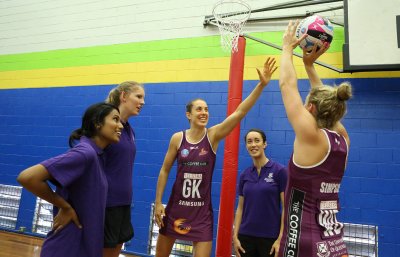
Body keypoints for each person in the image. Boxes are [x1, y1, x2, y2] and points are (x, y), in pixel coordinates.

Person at [153, 57, 277, 257]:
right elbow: (165, 170)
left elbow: (239, 113)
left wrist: (261, 86)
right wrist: (158, 202)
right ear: (188, 115)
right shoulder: (178, 138)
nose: (204, 112)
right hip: (176, 209)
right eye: (199, 109)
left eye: (206, 109)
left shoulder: (213, 136)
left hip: (201, 214)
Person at [277, 20, 352, 257]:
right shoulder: (342, 141)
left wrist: (287, 48)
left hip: (302, 242)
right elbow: (329, 109)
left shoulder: (312, 137)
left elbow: (287, 85)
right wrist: (309, 67)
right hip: (335, 243)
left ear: (310, 108)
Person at [17, 102, 123, 257]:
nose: (120, 126)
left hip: (84, 246)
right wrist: (65, 207)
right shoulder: (85, 154)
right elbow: (27, 177)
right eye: (115, 119)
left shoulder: (98, 156)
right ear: (97, 123)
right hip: (67, 247)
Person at [103, 81, 145, 257]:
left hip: (124, 201)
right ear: (124, 96)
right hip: (106, 202)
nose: (142, 102)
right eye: (139, 96)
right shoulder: (105, 125)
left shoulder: (129, 130)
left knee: (116, 250)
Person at [233, 128, 288, 257]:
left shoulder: (280, 171)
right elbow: (240, 208)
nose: (253, 144)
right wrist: (235, 236)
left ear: (264, 144)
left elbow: (286, 207)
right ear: (246, 146)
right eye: (249, 141)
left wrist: (280, 238)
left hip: (270, 238)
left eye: (257, 141)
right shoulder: (245, 175)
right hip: (245, 237)